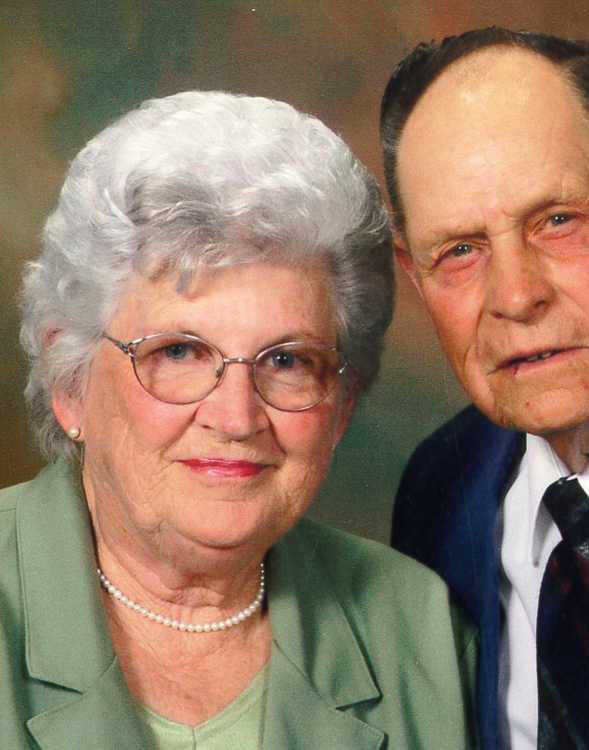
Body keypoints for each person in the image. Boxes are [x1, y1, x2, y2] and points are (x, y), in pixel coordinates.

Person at [0, 91, 478, 749]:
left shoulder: (418, 632)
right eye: (178, 352)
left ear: (340, 403)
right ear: (70, 382)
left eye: (287, 360)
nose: (235, 416)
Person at [380, 26, 589, 750]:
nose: (516, 296)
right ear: (415, 279)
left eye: (558, 221)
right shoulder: (439, 493)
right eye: (460, 250)